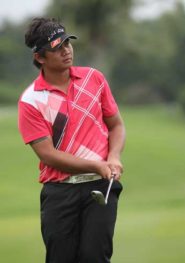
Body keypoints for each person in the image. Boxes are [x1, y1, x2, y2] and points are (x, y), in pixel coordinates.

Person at [18, 17, 126, 263]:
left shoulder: (94, 79)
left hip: (100, 186)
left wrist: (114, 156)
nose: (67, 51)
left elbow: (117, 125)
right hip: (59, 193)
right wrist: (96, 164)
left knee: (94, 257)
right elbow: (48, 155)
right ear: (40, 58)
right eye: (57, 48)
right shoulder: (31, 100)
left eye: (68, 43)